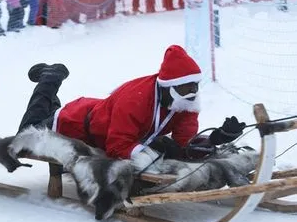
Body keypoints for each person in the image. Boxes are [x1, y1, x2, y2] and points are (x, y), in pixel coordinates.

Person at [15, 45, 245, 173]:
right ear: (169, 86)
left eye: (195, 85)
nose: (193, 92)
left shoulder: (185, 102)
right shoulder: (135, 99)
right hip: (73, 122)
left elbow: (184, 145)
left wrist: (214, 140)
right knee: (24, 135)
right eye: (187, 87)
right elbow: (117, 146)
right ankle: (50, 77)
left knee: (49, 111)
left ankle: (51, 87)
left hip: (103, 120)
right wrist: (151, 158)